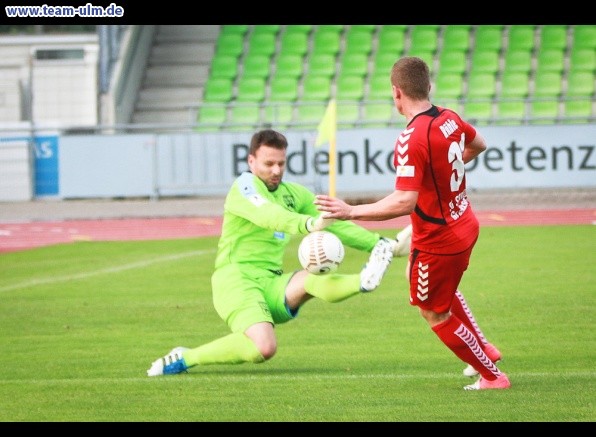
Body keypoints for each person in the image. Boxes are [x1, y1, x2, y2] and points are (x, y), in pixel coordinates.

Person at [314, 56, 510, 391]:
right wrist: (446, 172)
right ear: (427, 86)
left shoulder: (411, 138)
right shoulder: (449, 118)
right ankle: (484, 348)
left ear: (396, 93)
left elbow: (404, 201)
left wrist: (350, 212)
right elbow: (479, 145)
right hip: (462, 220)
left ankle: (491, 374)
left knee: (434, 312)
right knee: (424, 282)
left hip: (440, 236)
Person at [147, 129, 412, 377]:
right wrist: (307, 224)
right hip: (236, 280)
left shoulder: (293, 193)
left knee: (311, 279)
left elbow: (335, 222)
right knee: (264, 348)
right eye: (268, 164)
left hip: (271, 282)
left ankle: (364, 281)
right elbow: (269, 215)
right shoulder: (245, 187)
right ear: (251, 161)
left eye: (281, 164)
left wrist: (380, 243)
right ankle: (186, 357)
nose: (276, 170)